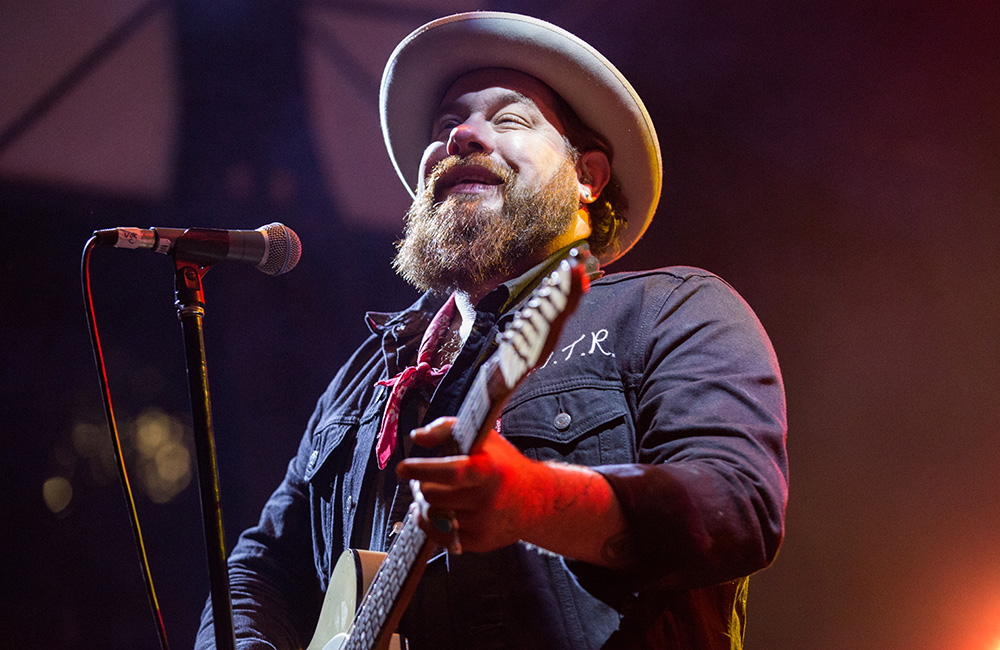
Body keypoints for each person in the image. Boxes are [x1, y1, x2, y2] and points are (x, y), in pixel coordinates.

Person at [195, 11, 788, 650]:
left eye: (508, 119)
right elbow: (260, 567)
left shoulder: (670, 312)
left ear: (587, 178)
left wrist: (533, 499)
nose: (463, 137)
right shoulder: (367, 379)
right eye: (447, 124)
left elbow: (738, 505)